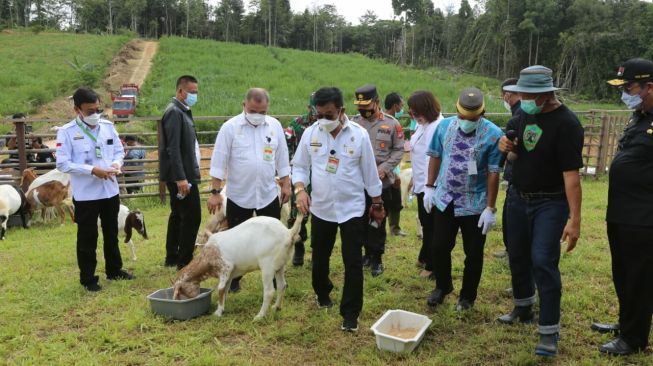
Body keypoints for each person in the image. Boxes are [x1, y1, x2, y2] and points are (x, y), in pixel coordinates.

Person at [498, 65, 583, 357]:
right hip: (518, 197)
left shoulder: (567, 124)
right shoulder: (523, 114)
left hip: (550, 201)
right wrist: (505, 144)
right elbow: (515, 152)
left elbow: (571, 175)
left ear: (547, 94)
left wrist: (575, 219)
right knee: (517, 254)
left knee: (543, 262)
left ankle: (549, 331)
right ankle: (522, 308)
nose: (522, 97)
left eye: (528, 93)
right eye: (521, 93)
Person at [292, 86, 384, 332]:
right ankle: (322, 294)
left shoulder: (359, 135)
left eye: (329, 115)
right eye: (319, 114)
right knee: (320, 257)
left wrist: (376, 203)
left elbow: (370, 173)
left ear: (341, 110)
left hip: (352, 209)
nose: (323, 120)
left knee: (353, 261)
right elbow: (299, 166)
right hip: (321, 208)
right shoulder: (311, 133)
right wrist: (300, 190)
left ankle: (350, 314)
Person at [592, 58, 653, 356]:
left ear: (649, 86)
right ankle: (625, 322)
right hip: (621, 212)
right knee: (623, 272)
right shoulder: (638, 116)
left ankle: (634, 338)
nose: (624, 92)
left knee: (639, 277)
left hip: (644, 216)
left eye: (628, 87)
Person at [424, 87, 502, 312]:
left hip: (475, 203)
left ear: (482, 113)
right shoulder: (444, 126)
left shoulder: (494, 134)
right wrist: (429, 187)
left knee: (474, 252)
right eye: (462, 116)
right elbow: (435, 156)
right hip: (445, 198)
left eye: (472, 118)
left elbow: (493, 172)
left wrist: (490, 207)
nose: (466, 121)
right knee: (439, 246)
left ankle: (467, 296)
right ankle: (442, 286)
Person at [207, 88, 291, 292]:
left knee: (272, 238)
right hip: (239, 195)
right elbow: (219, 160)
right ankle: (234, 279)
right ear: (244, 105)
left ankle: (273, 277)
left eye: (262, 112)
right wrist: (216, 192)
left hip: (268, 193)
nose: (258, 115)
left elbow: (282, 156)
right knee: (237, 240)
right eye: (253, 110)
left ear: (267, 108)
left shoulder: (274, 126)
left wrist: (286, 183)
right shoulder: (230, 127)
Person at [56, 87, 133, 292]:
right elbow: (63, 164)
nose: (94, 115)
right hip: (87, 195)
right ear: (77, 110)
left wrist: (117, 164)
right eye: (89, 111)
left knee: (111, 232)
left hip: (110, 191)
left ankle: (115, 270)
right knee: (88, 237)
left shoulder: (107, 126)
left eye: (97, 109)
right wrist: (92, 170)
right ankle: (88, 278)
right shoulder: (67, 132)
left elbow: (118, 150)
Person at [352, 84, 404, 276]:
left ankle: (377, 258)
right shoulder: (354, 123)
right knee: (361, 221)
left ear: (376, 102)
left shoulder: (391, 124)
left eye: (366, 106)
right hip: (358, 183)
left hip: (382, 183)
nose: (363, 111)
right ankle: (366, 254)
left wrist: (383, 169)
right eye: (360, 107)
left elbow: (399, 150)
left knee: (377, 220)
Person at [159, 75, 202, 270]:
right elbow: (173, 148)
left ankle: (172, 256)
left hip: (183, 173)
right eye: (191, 92)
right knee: (192, 216)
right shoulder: (174, 112)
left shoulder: (182, 111)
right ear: (180, 91)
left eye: (196, 92)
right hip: (182, 175)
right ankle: (184, 260)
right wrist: (181, 178)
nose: (194, 95)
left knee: (178, 214)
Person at [406, 91, 443, 278]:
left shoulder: (437, 127)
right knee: (425, 221)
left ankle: (432, 266)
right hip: (421, 182)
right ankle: (424, 255)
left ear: (426, 109)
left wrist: (430, 185)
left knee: (431, 227)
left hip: (432, 184)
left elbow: (433, 158)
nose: (413, 116)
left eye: (415, 112)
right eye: (411, 113)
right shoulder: (423, 124)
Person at [285, 94, 317, 266]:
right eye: (315, 107)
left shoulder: (330, 123)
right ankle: (299, 246)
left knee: (321, 216)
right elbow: (285, 145)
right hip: (300, 175)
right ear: (309, 107)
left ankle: (318, 250)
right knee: (296, 214)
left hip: (321, 176)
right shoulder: (296, 124)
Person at [494, 78, 522, 261]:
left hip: (520, 175)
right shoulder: (517, 112)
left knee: (512, 216)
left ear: (507, 95)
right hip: (514, 174)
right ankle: (509, 249)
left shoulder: (520, 115)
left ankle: (513, 251)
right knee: (508, 213)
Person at [383, 92, 407, 237]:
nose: (402, 108)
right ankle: (381, 230)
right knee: (384, 201)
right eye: (401, 105)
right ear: (395, 105)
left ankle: (394, 228)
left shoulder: (394, 122)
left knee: (396, 202)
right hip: (386, 170)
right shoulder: (386, 123)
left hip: (394, 169)